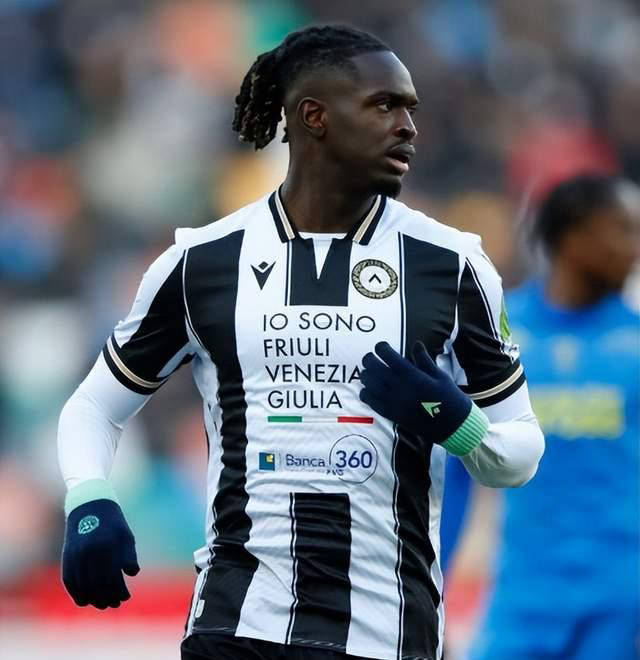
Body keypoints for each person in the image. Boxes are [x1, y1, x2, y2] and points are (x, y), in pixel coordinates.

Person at [57, 24, 544, 660]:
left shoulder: (452, 264)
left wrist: (452, 419)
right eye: (384, 105)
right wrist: (88, 497)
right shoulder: (201, 262)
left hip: (388, 632)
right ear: (314, 116)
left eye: (410, 109)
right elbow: (95, 406)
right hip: (235, 624)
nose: (407, 127)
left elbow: (520, 452)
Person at [469, 174, 640, 660]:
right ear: (573, 237)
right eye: (623, 230)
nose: (635, 248)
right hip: (519, 598)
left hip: (619, 602)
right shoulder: (502, 332)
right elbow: (456, 468)